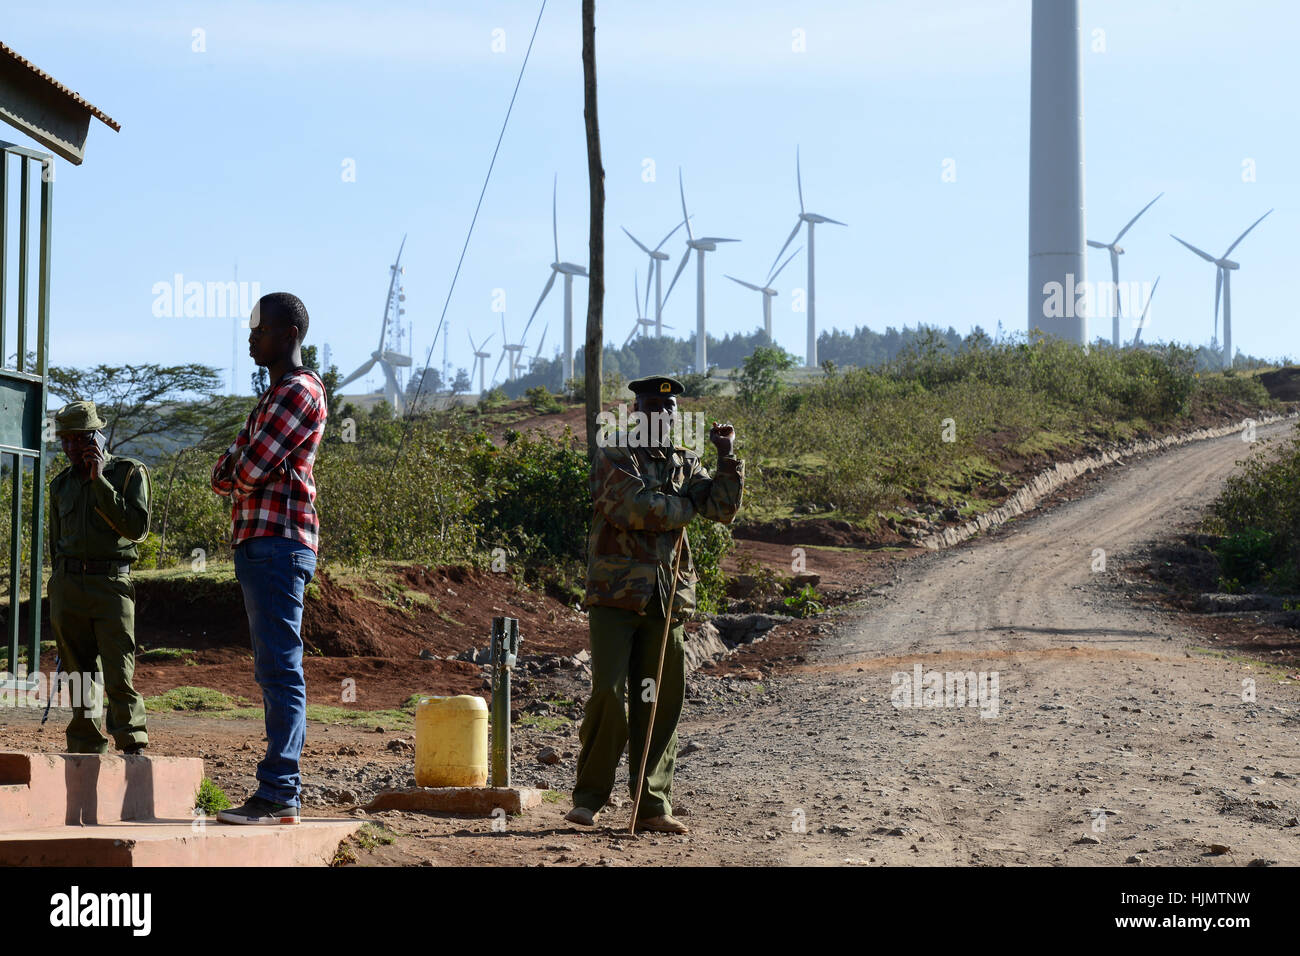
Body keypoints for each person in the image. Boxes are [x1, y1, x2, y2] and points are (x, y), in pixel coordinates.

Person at [567, 375, 743, 833]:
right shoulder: (614, 454)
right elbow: (634, 508)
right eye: (651, 407)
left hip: (668, 597)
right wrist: (685, 507)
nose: (660, 416)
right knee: (609, 693)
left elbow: (721, 509)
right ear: (634, 412)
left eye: (668, 410)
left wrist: (726, 457)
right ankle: (589, 798)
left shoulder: (686, 460)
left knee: (661, 699)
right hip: (616, 594)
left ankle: (651, 805)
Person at [211, 292, 327, 825]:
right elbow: (222, 472)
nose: (251, 337)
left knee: (281, 669)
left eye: (260, 329)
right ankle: (279, 792)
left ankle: (280, 793)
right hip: (262, 542)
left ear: (288, 335)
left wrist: (242, 466)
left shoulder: (298, 393)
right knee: (273, 668)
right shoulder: (270, 398)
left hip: (279, 542)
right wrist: (241, 466)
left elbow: (248, 468)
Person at [47, 401, 152, 756]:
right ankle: (85, 746)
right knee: (78, 674)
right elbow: (56, 544)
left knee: (119, 671)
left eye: (79, 439)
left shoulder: (128, 473)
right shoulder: (59, 485)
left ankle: (132, 742)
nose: (71, 447)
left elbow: (136, 529)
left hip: (111, 585)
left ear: (96, 437)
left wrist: (100, 480)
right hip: (68, 585)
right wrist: (57, 587)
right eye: (65, 440)